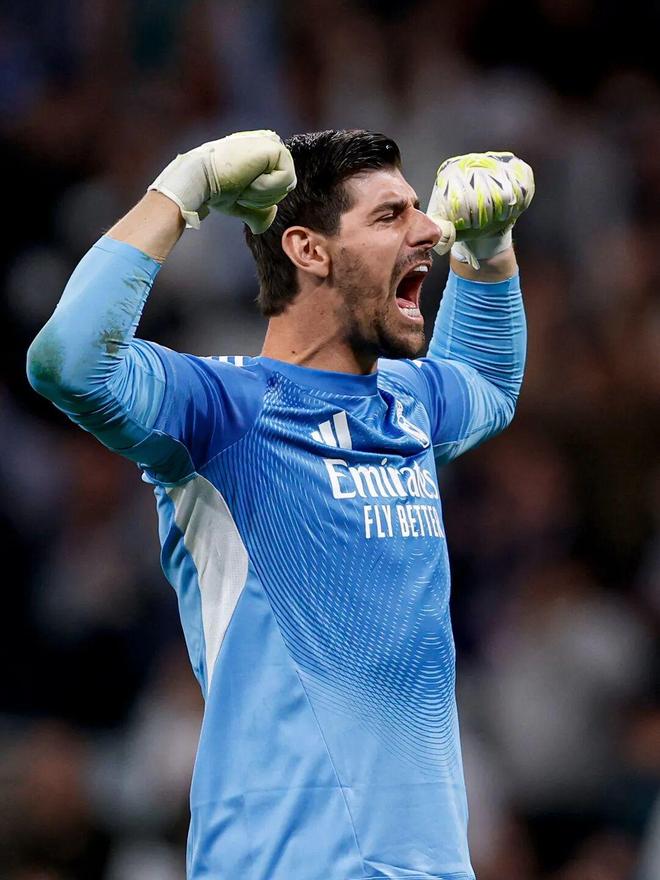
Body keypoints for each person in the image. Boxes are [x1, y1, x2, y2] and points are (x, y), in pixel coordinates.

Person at [27, 129, 533, 880]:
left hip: (429, 865)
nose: (431, 229)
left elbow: (486, 380)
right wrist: (183, 188)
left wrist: (487, 248)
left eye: (419, 209)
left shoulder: (408, 406)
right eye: (390, 215)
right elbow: (68, 362)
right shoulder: (225, 410)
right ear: (308, 249)